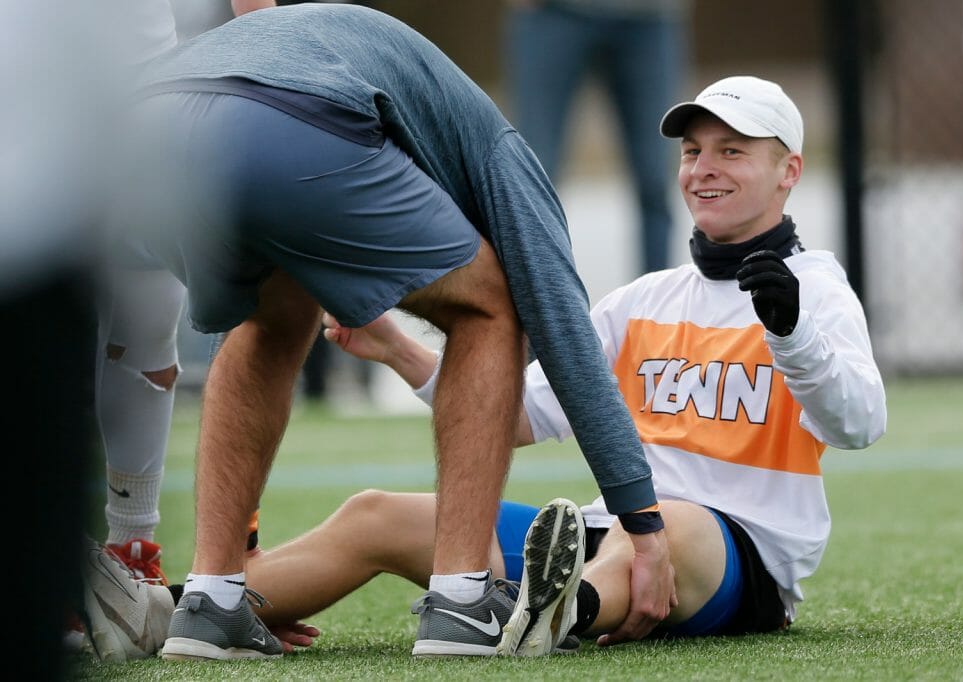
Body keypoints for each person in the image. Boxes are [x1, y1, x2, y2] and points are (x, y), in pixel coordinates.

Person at [89, 74, 886, 661]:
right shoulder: (643, 299)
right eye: (692, 150)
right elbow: (511, 417)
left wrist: (786, 333)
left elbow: (859, 424)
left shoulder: (816, 287)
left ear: (789, 172)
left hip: (736, 564)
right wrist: (402, 351)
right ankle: (175, 613)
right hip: (615, 537)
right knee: (377, 513)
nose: (704, 167)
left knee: (669, 523)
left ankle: (545, 615)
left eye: (732, 151)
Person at [113, 2, 673, 660]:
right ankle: (465, 600)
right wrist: (643, 523)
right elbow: (565, 336)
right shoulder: (505, 157)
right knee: (490, 302)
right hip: (282, 119)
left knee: (273, 312)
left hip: (140, 139)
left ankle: (213, 600)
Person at [96, 0, 278, 586]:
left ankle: (132, 545)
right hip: (39, 84)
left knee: (151, 326)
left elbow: (257, 22)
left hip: (152, 86)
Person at [503, 0, 690, 273]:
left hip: (650, 16)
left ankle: (657, 306)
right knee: (533, 173)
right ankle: (532, 301)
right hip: (554, 14)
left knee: (656, 176)